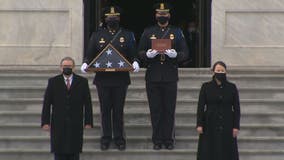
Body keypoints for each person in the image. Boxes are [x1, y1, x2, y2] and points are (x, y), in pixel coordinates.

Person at [80, 5, 140, 151]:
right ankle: (105, 138)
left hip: (120, 79)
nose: (112, 19)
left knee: (118, 111)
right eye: (109, 17)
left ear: (119, 18)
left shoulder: (127, 35)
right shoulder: (97, 35)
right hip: (103, 79)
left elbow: (133, 54)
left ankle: (119, 138)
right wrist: (86, 62)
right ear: (105, 19)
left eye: (114, 17)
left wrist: (136, 62)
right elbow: (90, 53)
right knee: (105, 110)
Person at [137, 2, 189, 150]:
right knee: (155, 110)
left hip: (170, 76)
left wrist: (176, 55)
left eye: (164, 14)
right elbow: (139, 51)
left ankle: (168, 139)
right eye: (159, 14)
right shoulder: (148, 32)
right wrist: (147, 54)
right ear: (155, 15)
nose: (162, 16)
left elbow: (185, 53)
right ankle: (157, 140)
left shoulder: (177, 32)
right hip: (153, 76)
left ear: (169, 15)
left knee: (169, 110)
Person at [41, 57, 93, 160]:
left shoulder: (82, 82)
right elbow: (47, 104)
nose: (67, 68)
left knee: (74, 152)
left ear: (73, 68)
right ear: (61, 68)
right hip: (58, 123)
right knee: (59, 152)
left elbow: (87, 103)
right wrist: (45, 122)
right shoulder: (53, 82)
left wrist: (88, 122)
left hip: (75, 123)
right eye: (65, 66)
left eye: (69, 66)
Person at [196, 61, 240, 160]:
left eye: (222, 70)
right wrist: (199, 124)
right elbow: (200, 106)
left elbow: (237, 108)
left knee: (227, 150)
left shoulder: (232, 87)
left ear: (226, 72)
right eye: (217, 70)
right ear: (213, 71)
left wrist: (236, 126)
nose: (220, 72)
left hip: (227, 121)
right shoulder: (206, 86)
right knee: (209, 149)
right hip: (209, 122)